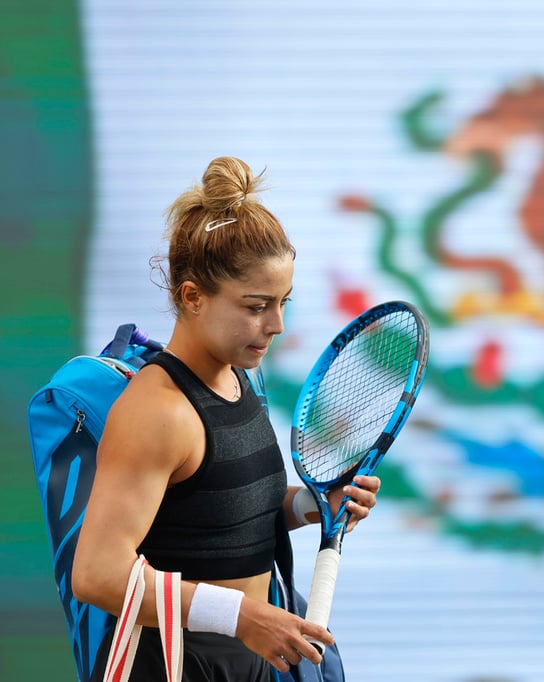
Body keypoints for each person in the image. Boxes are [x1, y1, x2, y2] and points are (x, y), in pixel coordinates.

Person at [72, 156, 380, 680]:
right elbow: (97, 574)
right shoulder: (158, 410)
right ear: (193, 297)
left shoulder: (240, 379)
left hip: (251, 659)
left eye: (283, 302)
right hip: (169, 665)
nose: (276, 324)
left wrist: (313, 505)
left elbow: (222, 519)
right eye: (257, 305)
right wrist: (240, 617)